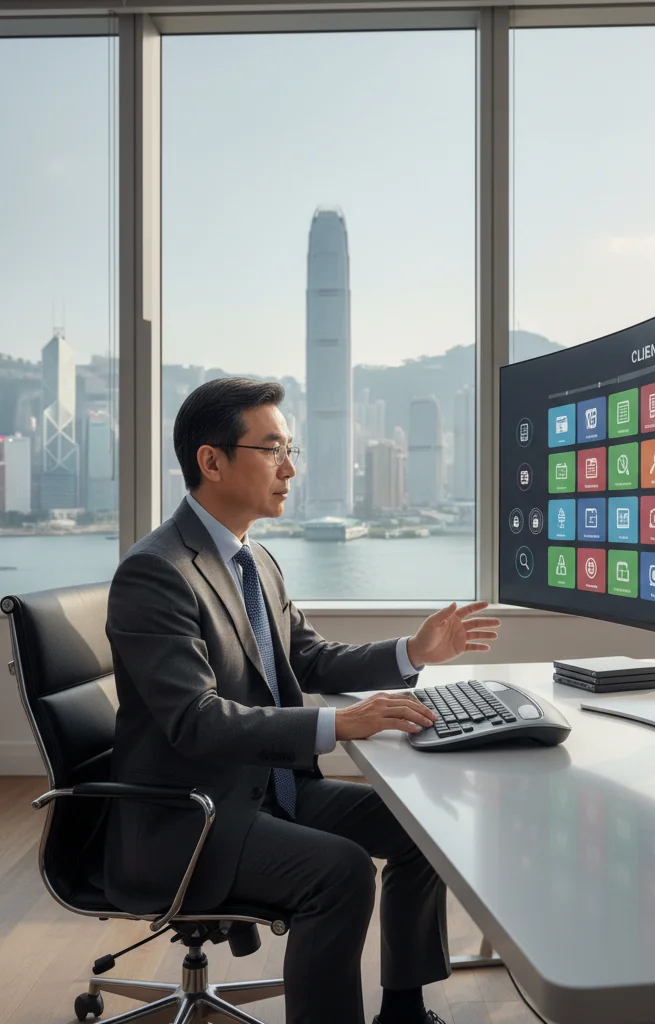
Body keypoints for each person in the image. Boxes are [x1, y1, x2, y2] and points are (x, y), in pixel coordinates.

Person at [103, 377, 501, 1024]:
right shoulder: (157, 572)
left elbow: (309, 657)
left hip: (269, 792)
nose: (291, 470)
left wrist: (414, 653)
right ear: (212, 461)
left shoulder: (254, 559)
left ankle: (403, 1010)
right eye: (273, 450)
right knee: (340, 871)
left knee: (421, 829)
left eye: (293, 451)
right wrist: (341, 723)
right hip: (194, 817)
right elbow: (195, 721)